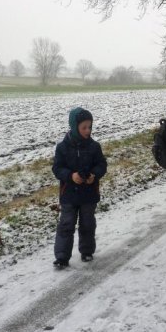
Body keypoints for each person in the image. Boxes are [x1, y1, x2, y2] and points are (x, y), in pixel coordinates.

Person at [51, 107, 107, 269]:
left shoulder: (94, 147)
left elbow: (102, 165)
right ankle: (62, 256)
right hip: (69, 194)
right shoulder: (62, 147)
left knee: (87, 224)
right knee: (66, 225)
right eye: (84, 127)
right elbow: (57, 168)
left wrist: (94, 175)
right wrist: (70, 176)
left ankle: (87, 251)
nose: (88, 130)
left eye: (90, 127)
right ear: (74, 127)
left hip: (89, 194)